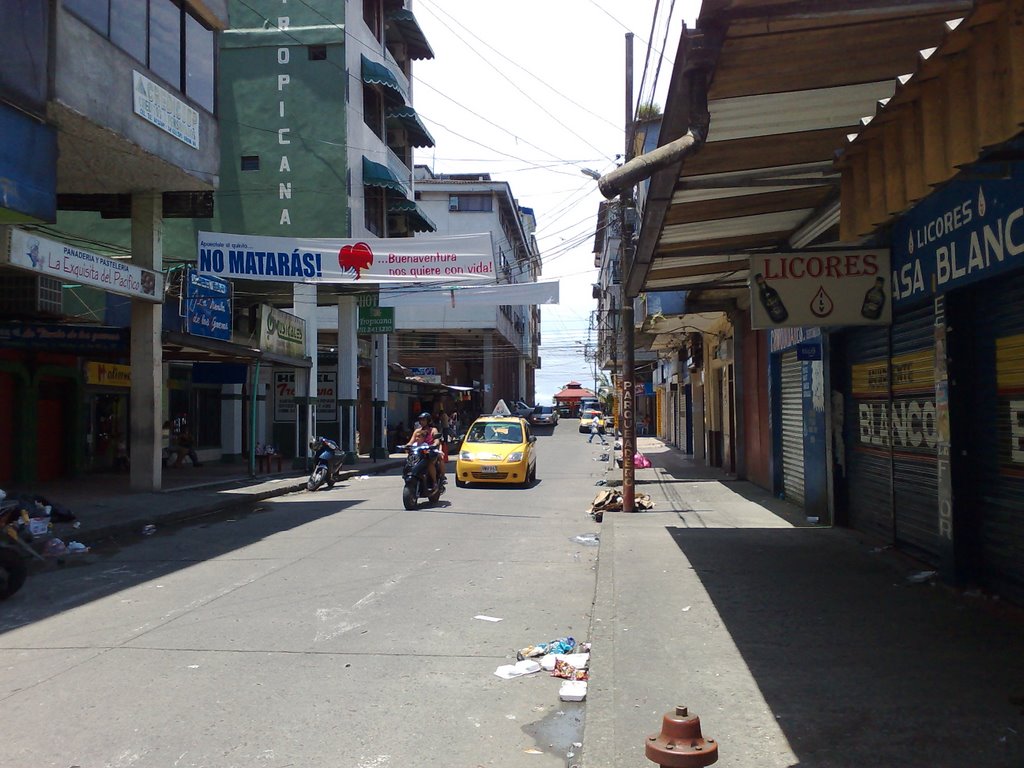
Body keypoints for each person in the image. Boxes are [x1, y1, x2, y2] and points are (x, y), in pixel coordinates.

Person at [403, 412, 446, 488]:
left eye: (424, 420)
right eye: (420, 420)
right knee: (410, 462)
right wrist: (406, 446)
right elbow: (411, 441)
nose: (421, 422)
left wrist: (434, 445)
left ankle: (435, 482)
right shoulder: (417, 431)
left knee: (430, 463)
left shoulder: (433, 430)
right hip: (419, 452)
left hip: (430, 451)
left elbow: (437, 441)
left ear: (428, 421)